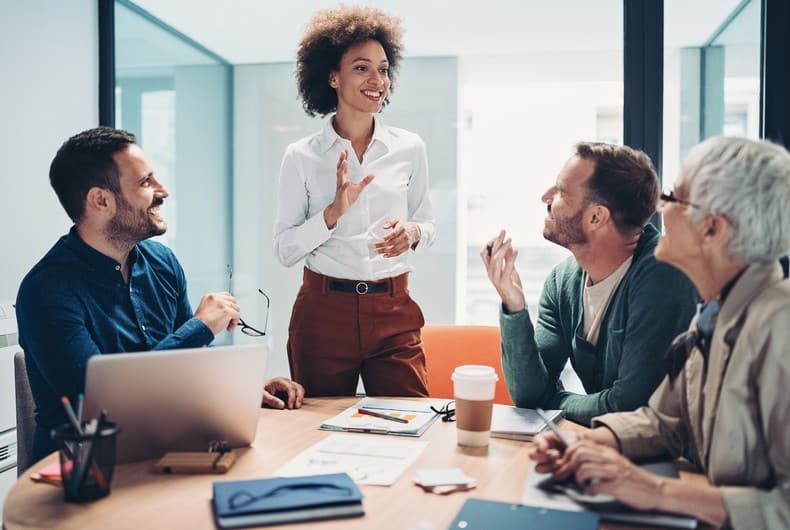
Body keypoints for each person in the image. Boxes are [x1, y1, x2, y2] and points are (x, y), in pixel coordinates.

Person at [531, 137, 790, 529]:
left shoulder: (780, 329)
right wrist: (591, 442)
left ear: (712, 229)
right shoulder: (716, 312)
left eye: (673, 197)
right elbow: (666, 421)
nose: (657, 207)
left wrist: (654, 490)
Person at [17, 127, 304, 462]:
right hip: (83, 473)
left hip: (163, 451)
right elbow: (104, 409)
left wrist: (239, 395)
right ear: (100, 200)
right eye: (145, 182)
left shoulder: (162, 262)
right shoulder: (46, 291)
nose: (162, 191)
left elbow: (184, 374)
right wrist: (198, 328)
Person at [274, 6, 435, 397]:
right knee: (315, 433)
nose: (377, 80)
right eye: (362, 68)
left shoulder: (409, 148)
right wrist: (331, 215)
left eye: (383, 69)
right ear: (333, 77)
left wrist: (412, 232)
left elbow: (428, 223)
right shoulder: (302, 155)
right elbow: (284, 250)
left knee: (410, 422)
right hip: (323, 312)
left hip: (394, 309)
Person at [482, 142, 697, 425]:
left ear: (596, 216)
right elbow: (529, 396)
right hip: (608, 448)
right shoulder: (562, 282)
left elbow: (628, 407)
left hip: (675, 463)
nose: (545, 197)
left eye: (560, 192)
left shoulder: (663, 274)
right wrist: (514, 306)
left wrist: (553, 403)